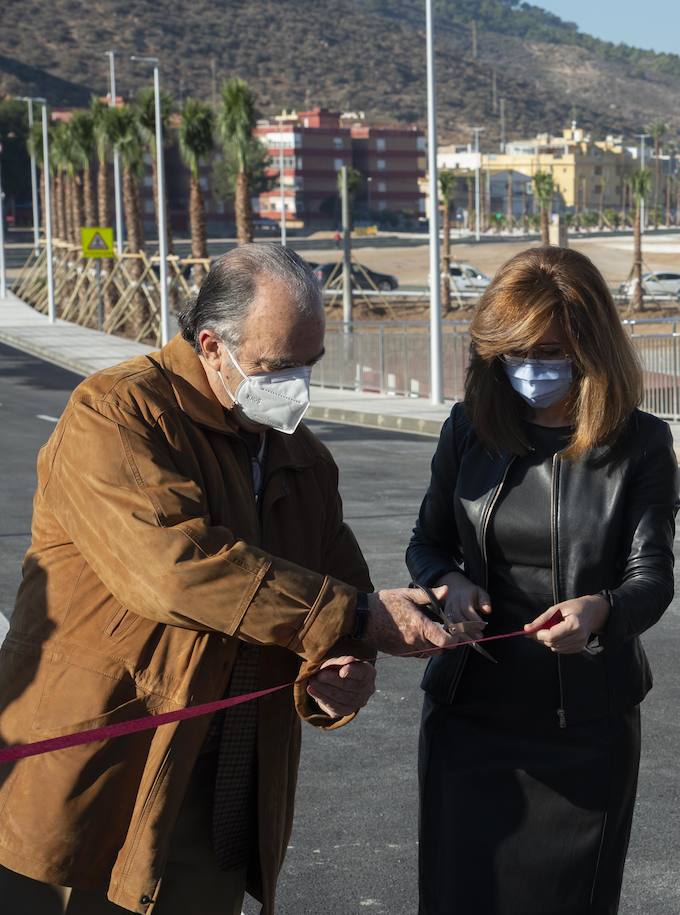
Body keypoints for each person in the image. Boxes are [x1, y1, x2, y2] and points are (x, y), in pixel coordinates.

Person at [0, 244, 467, 915]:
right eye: (280, 366)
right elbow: (174, 569)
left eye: (310, 364)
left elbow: (341, 593)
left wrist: (342, 677)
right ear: (213, 344)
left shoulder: (304, 459)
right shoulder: (116, 413)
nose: (298, 385)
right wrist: (356, 617)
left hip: (220, 797)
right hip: (97, 780)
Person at [407, 245, 679, 914]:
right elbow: (427, 542)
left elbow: (654, 576)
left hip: (585, 727)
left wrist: (603, 611)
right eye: (516, 352)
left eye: (550, 351)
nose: (531, 368)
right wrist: (449, 583)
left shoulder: (641, 442)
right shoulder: (470, 427)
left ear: (590, 346)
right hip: (470, 716)